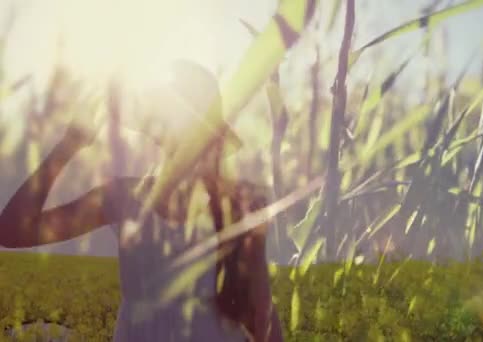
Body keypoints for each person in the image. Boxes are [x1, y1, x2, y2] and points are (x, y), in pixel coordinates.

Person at [0, 60, 283, 342]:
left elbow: (261, 315)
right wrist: (68, 146)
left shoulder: (238, 206)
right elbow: (13, 231)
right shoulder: (123, 198)